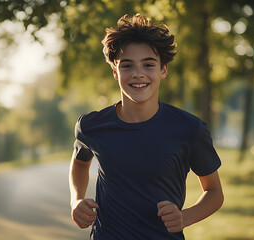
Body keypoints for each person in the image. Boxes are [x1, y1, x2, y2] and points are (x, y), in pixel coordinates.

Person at [69, 13, 224, 239]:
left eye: (148, 64)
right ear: (115, 72)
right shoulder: (91, 126)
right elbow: (80, 164)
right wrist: (76, 200)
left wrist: (185, 217)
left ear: (163, 70)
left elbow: (215, 192)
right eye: (127, 65)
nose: (138, 74)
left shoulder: (190, 129)